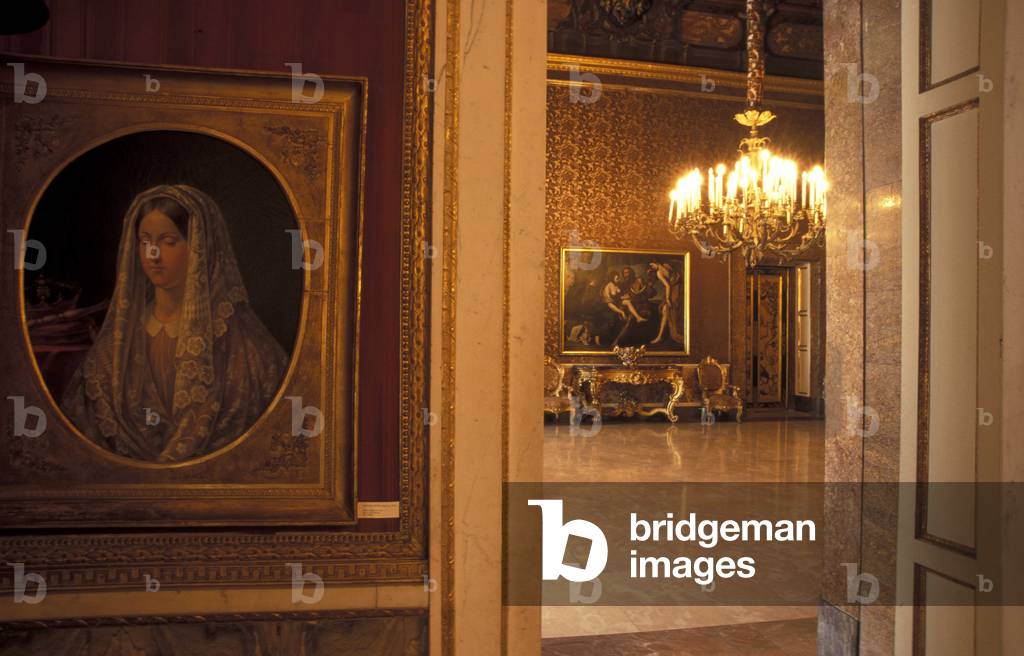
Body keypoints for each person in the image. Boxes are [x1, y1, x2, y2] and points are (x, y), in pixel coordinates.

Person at [62, 184, 288, 462]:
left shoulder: (245, 344)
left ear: (200, 248)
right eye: (144, 242)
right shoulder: (118, 344)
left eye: (169, 242)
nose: (153, 255)